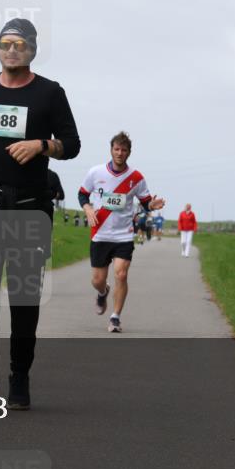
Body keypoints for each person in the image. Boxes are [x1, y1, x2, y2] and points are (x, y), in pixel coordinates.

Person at [0, 18, 80, 409]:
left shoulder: (50, 93)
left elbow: (71, 144)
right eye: (5, 44)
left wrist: (41, 145)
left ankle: (19, 375)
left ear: (32, 50)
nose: (12, 50)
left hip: (29, 207)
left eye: (19, 45)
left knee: (24, 299)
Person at [79, 132, 165, 333]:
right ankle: (102, 293)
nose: (119, 153)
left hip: (123, 234)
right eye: (116, 149)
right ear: (111, 150)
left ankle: (115, 317)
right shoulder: (96, 172)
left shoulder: (136, 178)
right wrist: (88, 209)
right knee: (97, 280)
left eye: (123, 150)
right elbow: (82, 194)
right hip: (100, 234)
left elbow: (145, 203)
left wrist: (152, 204)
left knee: (121, 273)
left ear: (129, 152)